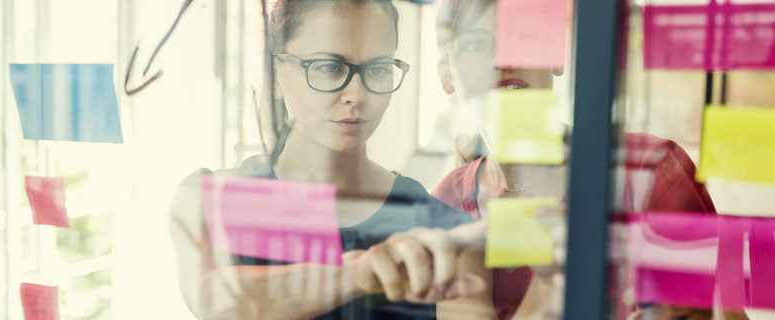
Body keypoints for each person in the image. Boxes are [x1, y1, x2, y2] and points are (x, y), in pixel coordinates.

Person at [346, 0, 744, 319]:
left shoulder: (648, 169)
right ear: (445, 76)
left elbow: (723, 311)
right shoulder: (443, 202)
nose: (502, 60)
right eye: (474, 44)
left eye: (523, 35)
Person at [168, 1, 481, 319]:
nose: (357, 96)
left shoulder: (442, 228)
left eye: (378, 69)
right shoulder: (206, 199)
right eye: (329, 68)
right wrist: (357, 273)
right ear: (276, 72)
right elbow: (215, 301)